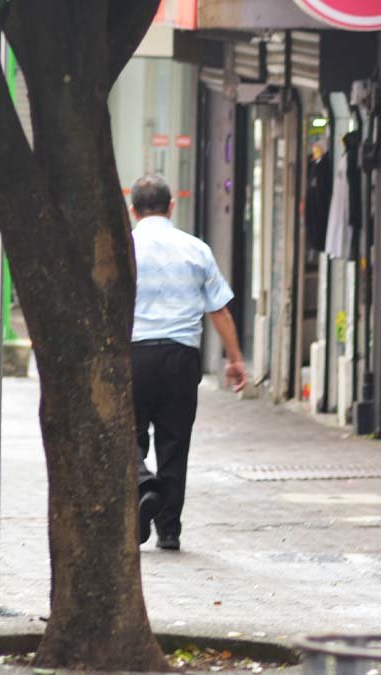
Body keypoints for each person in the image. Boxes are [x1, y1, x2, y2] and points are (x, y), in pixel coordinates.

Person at [130, 174, 248, 552]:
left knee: (125, 436)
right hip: (181, 357)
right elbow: (220, 310)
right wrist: (235, 359)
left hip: (132, 355)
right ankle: (169, 530)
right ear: (171, 206)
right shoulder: (196, 249)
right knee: (174, 443)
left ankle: (142, 486)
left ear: (133, 210)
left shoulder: (122, 248)